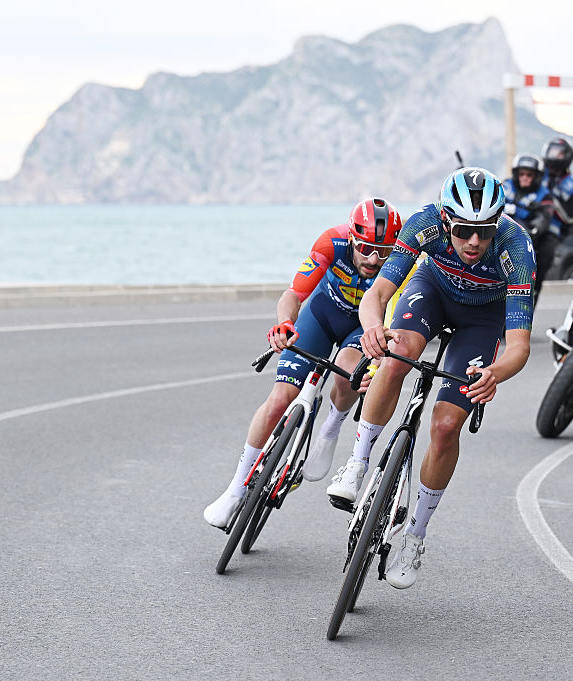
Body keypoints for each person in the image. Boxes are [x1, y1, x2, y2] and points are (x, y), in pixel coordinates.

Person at [326, 167, 536, 589]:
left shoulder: (517, 249)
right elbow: (378, 295)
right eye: (462, 230)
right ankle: (358, 462)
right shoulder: (425, 225)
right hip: (433, 293)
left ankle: (415, 536)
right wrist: (371, 327)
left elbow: (518, 346)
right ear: (445, 221)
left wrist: (495, 373)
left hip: (482, 319)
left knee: (444, 425)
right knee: (397, 354)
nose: (474, 242)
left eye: (484, 231)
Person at [203, 198, 402, 528]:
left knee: (346, 372)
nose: (373, 258)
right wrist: (284, 324)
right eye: (366, 247)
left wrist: (374, 370)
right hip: (321, 316)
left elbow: (394, 321)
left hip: (362, 328)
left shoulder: (399, 263)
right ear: (352, 238)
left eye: (382, 251)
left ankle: (330, 428)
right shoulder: (331, 242)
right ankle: (235, 489)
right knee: (280, 398)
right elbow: (294, 295)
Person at [503, 153, 555, 297]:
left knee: (548, 250)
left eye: (529, 174)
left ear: (537, 176)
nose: (524, 177)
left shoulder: (544, 194)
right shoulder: (505, 186)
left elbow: (545, 216)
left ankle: (535, 288)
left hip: (529, 235)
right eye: (522, 174)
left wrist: (534, 228)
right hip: (501, 230)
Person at [540, 137, 573, 240]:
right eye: (551, 151)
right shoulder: (539, 173)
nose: (552, 155)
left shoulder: (572, 183)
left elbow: (570, 216)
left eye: (557, 153)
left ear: (567, 156)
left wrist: (551, 201)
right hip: (531, 221)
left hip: (553, 230)